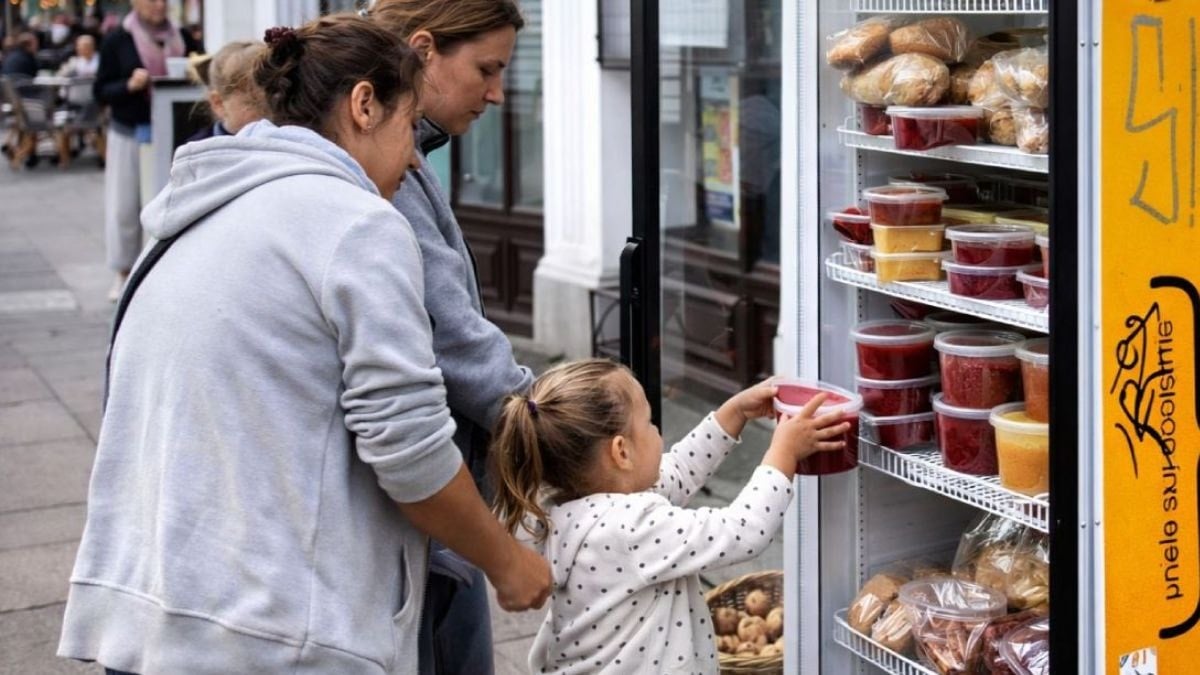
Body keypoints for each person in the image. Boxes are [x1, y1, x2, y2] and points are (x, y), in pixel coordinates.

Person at [57, 14, 550, 675]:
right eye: (409, 128)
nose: (413, 160)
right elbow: (409, 445)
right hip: (270, 636)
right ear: (364, 105)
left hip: (152, 616)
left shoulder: (194, 209)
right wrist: (506, 559)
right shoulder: (355, 224)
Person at [489, 359, 851, 673]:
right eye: (650, 423)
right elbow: (742, 531)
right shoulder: (629, 528)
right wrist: (784, 453)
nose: (657, 431)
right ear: (621, 452)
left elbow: (679, 471)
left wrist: (735, 413)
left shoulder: (568, 511)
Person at [366, 2, 529, 672]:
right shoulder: (384, 172)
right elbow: (453, 346)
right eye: (486, 69)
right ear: (424, 50)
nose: (496, 93)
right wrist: (564, 429)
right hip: (422, 527)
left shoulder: (403, 153)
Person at [93, 0, 202, 301]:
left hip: (176, 135)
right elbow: (100, 91)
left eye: (163, 0)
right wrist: (128, 85)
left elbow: (204, 71)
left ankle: (165, 269)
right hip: (130, 131)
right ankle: (124, 272)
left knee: (173, 203)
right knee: (124, 205)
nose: (159, 5)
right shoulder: (118, 39)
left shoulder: (182, 36)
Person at [186, 40, 265, 141]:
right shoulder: (198, 148)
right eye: (255, 103)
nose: (270, 112)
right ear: (218, 103)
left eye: (276, 102)